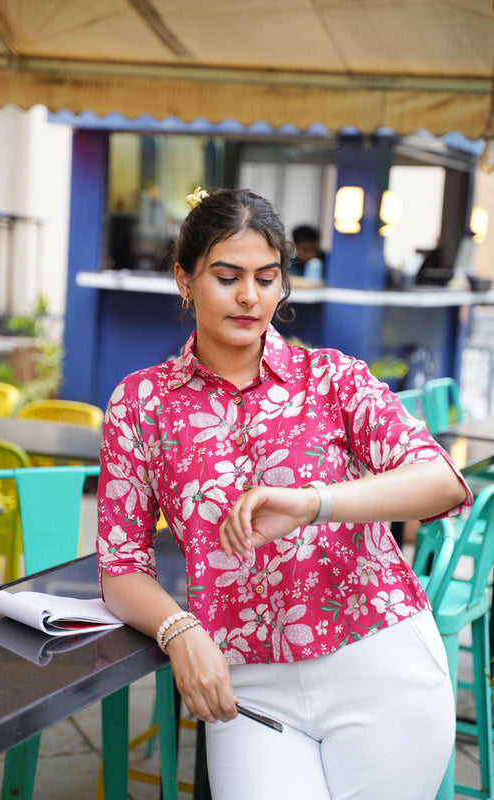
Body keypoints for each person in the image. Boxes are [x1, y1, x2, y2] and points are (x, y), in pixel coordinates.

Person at [97, 186, 471, 800]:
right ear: (185, 279)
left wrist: (314, 501)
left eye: (267, 278)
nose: (250, 296)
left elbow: (439, 482)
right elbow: (120, 568)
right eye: (227, 276)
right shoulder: (141, 404)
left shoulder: (333, 379)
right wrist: (179, 630)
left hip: (378, 659)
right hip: (249, 690)